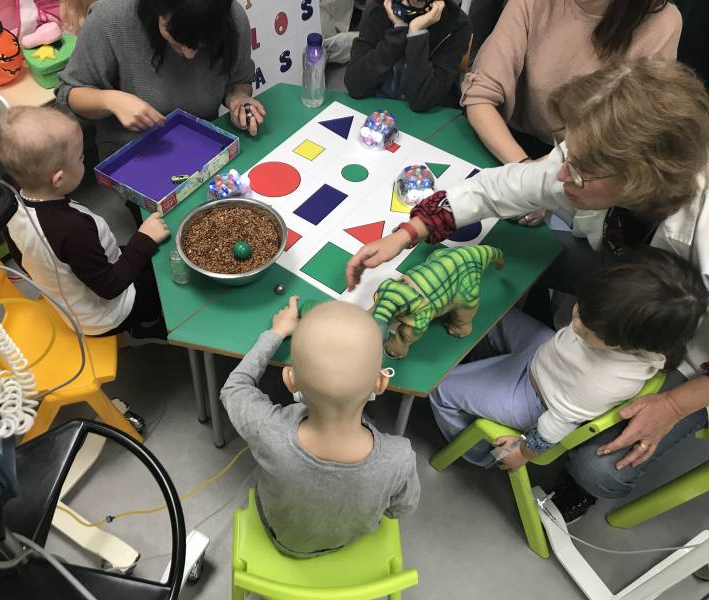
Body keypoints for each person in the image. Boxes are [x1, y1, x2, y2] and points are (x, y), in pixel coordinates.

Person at [346, 59, 709, 521]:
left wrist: (676, 403)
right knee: (519, 246)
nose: (561, 175)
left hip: (692, 348)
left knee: (599, 470)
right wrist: (409, 232)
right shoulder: (592, 164)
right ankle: (517, 363)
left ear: (640, 181)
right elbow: (497, 189)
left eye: (579, 173)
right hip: (623, 279)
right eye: (566, 153)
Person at [430, 249, 707, 473]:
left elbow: (556, 425)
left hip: (535, 399)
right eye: (581, 307)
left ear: (624, 343)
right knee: (492, 311)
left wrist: (520, 451)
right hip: (547, 358)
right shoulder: (627, 330)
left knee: (442, 389)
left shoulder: (599, 382)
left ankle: (478, 454)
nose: (575, 320)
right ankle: (481, 365)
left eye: (587, 325)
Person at [220, 298, 420, 556]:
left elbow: (234, 388)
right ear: (380, 383)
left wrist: (277, 332)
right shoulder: (399, 457)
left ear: (290, 380)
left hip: (281, 537)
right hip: (347, 542)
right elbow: (399, 510)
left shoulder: (268, 430)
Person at [0, 106, 170, 340]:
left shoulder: (13, 205)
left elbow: (23, 259)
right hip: (107, 315)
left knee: (146, 258)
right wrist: (143, 238)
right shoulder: (72, 228)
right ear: (58, 178)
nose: (83, 161)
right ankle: (147, 324)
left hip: (77, 300)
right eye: (80, 158)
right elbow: (110, 287)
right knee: (163, 282)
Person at [462, 0, 681, 167]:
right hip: (505, 143)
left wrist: (542, 179)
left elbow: (628, 134)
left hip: (589, 166)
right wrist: (524, 173)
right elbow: (480, 93)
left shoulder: (662, 22)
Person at [56, 0, 264, 160]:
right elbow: (68, 93)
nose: (189, 55)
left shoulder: (232, 16)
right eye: (176, 38)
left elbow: (239, 80)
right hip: (134, 155)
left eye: (201, 45)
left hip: (203, 143)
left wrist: (238, 97)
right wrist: (111, 101)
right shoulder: (110, 18)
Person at [345, 0, 473, 112]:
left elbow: (422, 101)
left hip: (427, 117)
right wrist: (398, 31)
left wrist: (417, 33)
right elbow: (354, 84)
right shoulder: (378, 8)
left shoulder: (457, 23)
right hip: (378, 109)